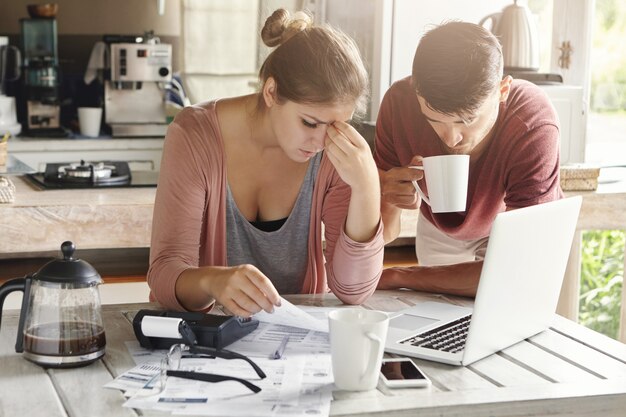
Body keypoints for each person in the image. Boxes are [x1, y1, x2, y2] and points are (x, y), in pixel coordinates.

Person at [148, 9, 384, 316]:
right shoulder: (195, 135)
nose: (322, 142)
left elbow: (354, 292)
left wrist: (367, 187)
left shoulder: (334, 154)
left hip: (298, 349)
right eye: (310, 123)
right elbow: (165, 273)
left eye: (337, 125)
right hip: (206, 345)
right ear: (271, 92)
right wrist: (213, 281)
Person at [374, 21, 563, 297]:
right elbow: (386, 234)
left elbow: (516, 270)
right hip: (439, 226)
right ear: (416, 91)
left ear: (502, 91)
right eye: (434, 121)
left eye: (466, 120)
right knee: (442, 320)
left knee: (509, 306)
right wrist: (388, 199)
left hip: (510, 224)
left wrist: (401, 275)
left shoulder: (532, 124)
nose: (451, 139)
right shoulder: (399, 105)